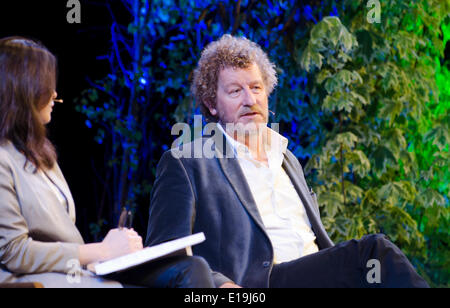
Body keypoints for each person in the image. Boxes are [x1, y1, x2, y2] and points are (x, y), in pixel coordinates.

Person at [145, 34, 429, 288]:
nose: (250, 100)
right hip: (257, 284)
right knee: (373, 252)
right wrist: (220, 285)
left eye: (256, 88)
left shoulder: (287, 158)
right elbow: (165, 256)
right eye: (235, 91)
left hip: (318, 276)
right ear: (211, 104)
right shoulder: (186, 161)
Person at [0, 36, 214, 288]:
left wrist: (113, 250)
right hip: (39, 280)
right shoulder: (3, 159)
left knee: (191, 268)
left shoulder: (39, 154)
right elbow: (12, 251)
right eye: (45, 84)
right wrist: (102, 250)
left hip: (78, 273)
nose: (55, 93)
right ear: (22, 89)